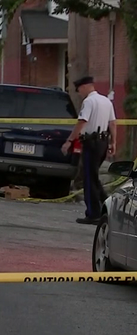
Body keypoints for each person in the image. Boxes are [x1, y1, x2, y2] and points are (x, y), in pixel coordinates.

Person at [62, 76, 116, 225]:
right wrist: (113, 142)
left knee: (89, 179)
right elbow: (113, 123)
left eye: (79, 89)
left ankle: (94, 214)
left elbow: (82, 122)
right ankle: (108, 206)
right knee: (93, 177)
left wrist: (69, 141)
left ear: (85, 86)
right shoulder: (106, 101)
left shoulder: (89, 102)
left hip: (92, 143)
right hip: (103, 142)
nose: (79, 92)